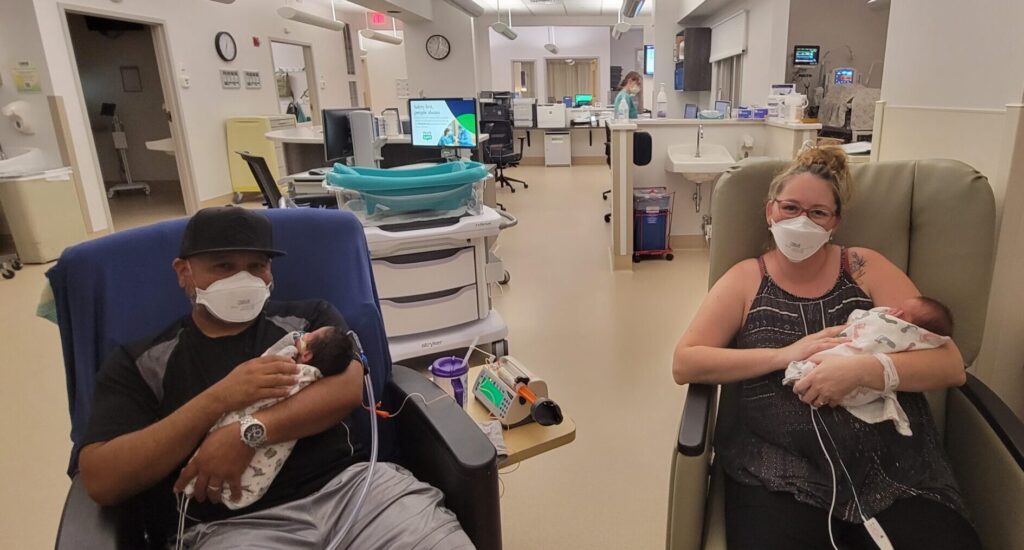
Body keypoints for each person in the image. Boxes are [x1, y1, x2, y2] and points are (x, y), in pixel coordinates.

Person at [78, 207, 472, 549]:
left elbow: (349, 387)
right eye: (223, 266)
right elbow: (102, 478)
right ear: (184, 272)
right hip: (234, 527)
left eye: (256, 266)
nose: (243, 279)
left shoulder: (309, 322)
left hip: (355, 492)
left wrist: (248, 431)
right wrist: (220, 398)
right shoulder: (143, 361)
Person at [672, 146, 981, 549]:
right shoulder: (746, 279)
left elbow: (950, 363)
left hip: (897, 468)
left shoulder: (863, 266)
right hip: (777, 470)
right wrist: (786, 354)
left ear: (835, 222)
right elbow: (686, 361)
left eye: (818, 212)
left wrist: (865, 372)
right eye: (790, 208)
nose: (802, 221)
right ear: (770, 212)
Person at [782, 296, 954, 437]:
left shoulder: (869, 265)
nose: (892, 312)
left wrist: (861, 370)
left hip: (884, 440)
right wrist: (787, 354)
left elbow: (953, 367)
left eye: (901, 315)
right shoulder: (755, 272)